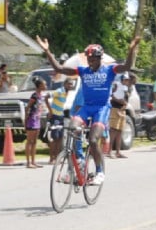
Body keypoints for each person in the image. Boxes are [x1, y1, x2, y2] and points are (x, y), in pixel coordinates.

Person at [36, 35, 141, 185]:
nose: (90, 62)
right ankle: (79, 161)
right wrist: (47, 51)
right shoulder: (83, 71)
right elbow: (59, 69)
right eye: (89, 59)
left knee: (93, 140)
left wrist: (131, 49)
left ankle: (99, 172)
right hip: (86, 108)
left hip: (102, 109)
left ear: (100, 59)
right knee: (72, 129)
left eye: (93, 59)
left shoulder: (110, 70)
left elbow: (127, 66)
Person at [45, 78, 74, 165]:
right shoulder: (59, 91)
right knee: (54, 138)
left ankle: (57, 157)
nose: (70, 86)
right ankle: (51, 158)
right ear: (64, 84)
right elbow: (46, 97)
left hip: (61, 116)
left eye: (71, 84)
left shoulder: (66, 93)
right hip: (55, 116)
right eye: (69, 84)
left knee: (60, 138)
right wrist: (50, 111)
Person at [107, 72, 130, 159]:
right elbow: (111, 95)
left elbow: (126, 98)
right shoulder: (116, 85)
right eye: (125, 79)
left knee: (120, 130)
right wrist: (119, 100)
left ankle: (118, 151)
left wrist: (124, 104)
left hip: (122, 110)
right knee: (113, 130)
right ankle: (109, 151)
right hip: (115, 108)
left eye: (127, 80)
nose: (126, 81)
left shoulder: (125, 88)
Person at [24, 77, 47, 169]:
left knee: (34, 142)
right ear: (40, 86)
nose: (46, 86)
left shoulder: (41, 95)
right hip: (31, 120)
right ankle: (28, 162)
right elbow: (28, 108)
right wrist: (25, 121)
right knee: (29, 141)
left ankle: (33, 161)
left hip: (37, 120)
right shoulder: (34, 96)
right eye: (44, 84)